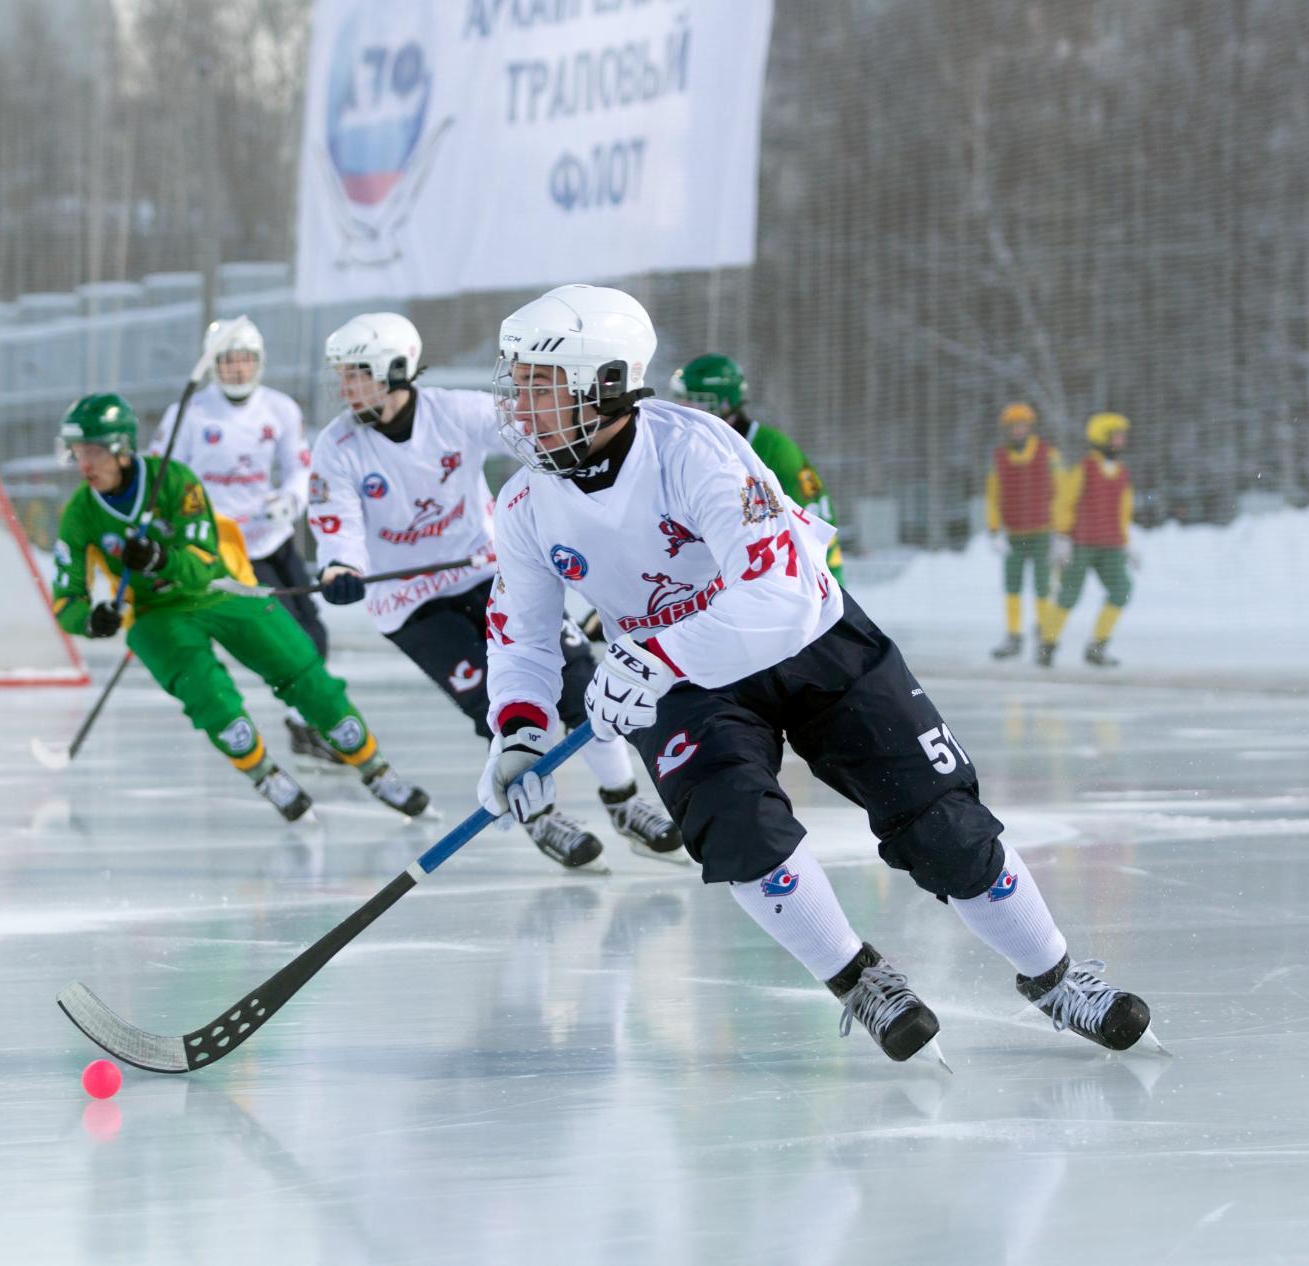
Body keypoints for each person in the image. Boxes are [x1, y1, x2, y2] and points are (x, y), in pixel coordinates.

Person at [477, 283, 1156, 1064]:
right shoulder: (527, 502)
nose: (519, 408)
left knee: (941, 823)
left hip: (811, 643)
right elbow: (519, 634)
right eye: (517, 385)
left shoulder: (696, 451)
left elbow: (780, 598)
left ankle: (1057, 980)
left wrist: (653, 652)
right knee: (735, 830)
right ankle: (860, 979)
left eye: (539, 386)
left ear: (604, 386)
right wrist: (520, 733)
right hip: (686, 683)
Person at [310, 312, 681, 871]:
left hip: (489, 572)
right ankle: (541, 814)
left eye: (355, 373)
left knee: (580, 682)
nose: (345, 387)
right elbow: (335, 516)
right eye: (341, 375)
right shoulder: (338, 445)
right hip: (411, 605)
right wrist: (341, 565)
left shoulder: (451, 412)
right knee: (499, 704)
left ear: (393, 369)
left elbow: (536, 431)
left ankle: (623, 803)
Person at [50, 392, 428, 822]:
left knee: (301, 667)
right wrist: (93, 620)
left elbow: (204, 560)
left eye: (94, 451)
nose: (84, 464)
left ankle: (374, 767)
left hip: (220, 587)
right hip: (156, 613)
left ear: (121, 449)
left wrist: (160, 557)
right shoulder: (80, 513)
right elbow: (66, 601)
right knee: (208, 695)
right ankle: (265, 774)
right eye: (78, 452)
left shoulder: (173, 480)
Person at [148, 317, 336, 763]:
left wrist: (290, 500)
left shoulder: (281, 409)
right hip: (213, 548)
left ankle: (306, 721)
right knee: (224, 635)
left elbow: (299, 467)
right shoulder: (189, 414)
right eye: (229, 361)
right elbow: (161, 477)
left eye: (246, 360)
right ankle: (226, 722)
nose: (238, 369)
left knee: (309, 633)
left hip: (269, 541)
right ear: (214, 366)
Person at [668, 352, 843, 583]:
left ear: (724, 403)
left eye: (695, 400)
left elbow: (817, 515)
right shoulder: (688, 448)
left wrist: (824, 583)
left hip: (786, 579)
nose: (684, 408)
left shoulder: (774, 450)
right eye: (682, 400)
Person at [1037, 412, 1135, 669]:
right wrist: (1061, 535)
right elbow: (1064, 502)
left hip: (1111, 544)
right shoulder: (1085, 468)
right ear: (1102, 438)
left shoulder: (1122, 473)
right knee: (1069, 595)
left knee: (1121, 589)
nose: (1122, 440)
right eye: (1116, 435)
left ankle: (1097, 646)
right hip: (1081, 544)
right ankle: (1046, 644)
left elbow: (1123, 510)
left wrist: (1126, 542)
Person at [984, 401, 1064, 661]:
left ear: (1030, 427)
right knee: (1012, 586)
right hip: (1014, 535)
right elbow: (993, 496)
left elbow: (1061, 492)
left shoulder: (1048, 454)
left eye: (1022, 426)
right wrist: (995, 530)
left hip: (1042, 532)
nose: (1018, 431)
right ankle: (1014, 636)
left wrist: (1061, 530)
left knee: (1043, 586)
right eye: (1013, 427)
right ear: (1007, 430)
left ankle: (1044, 636)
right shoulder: (999, 459)